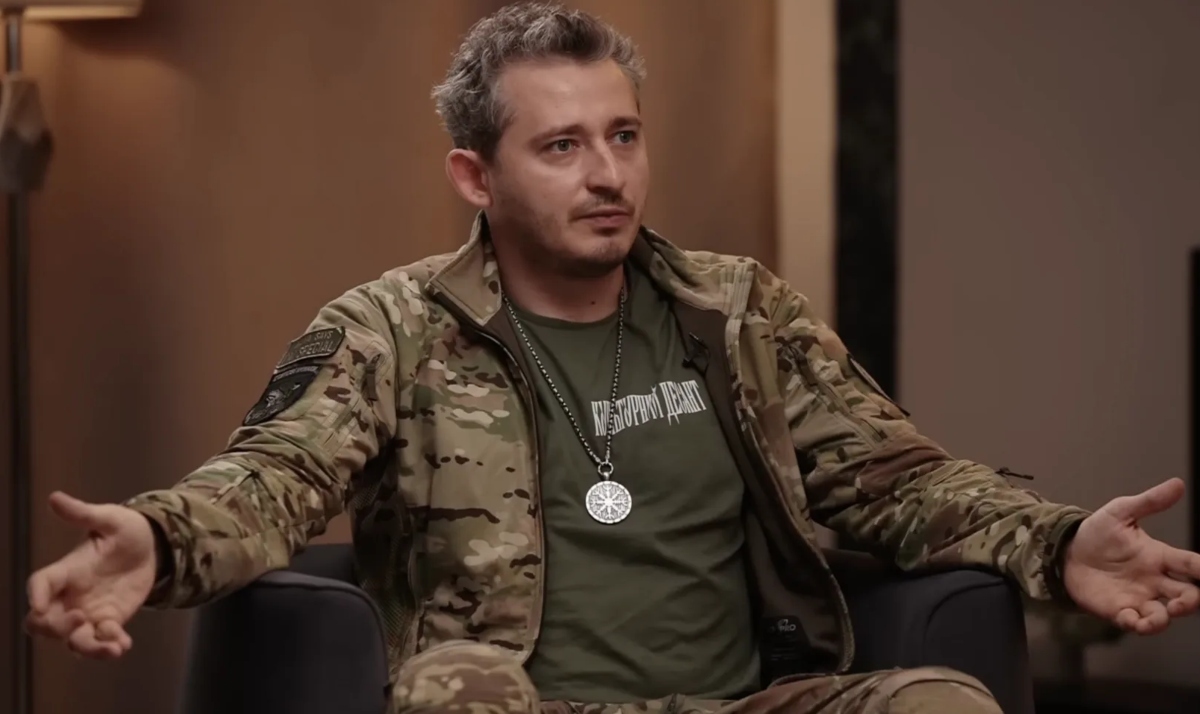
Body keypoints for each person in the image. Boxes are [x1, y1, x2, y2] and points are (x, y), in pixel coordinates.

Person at [24, 3, 1200, 713]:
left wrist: (1058, 543)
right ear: (476, 176)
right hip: (514, 700)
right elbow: (276, 476)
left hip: (747, 700)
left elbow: (900, 482)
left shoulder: (738, 312)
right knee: (449, 691)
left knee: (942, 701)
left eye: (624, 135)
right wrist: (159, 539)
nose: (608, 174)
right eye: (563, 146)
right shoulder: (393, 327)